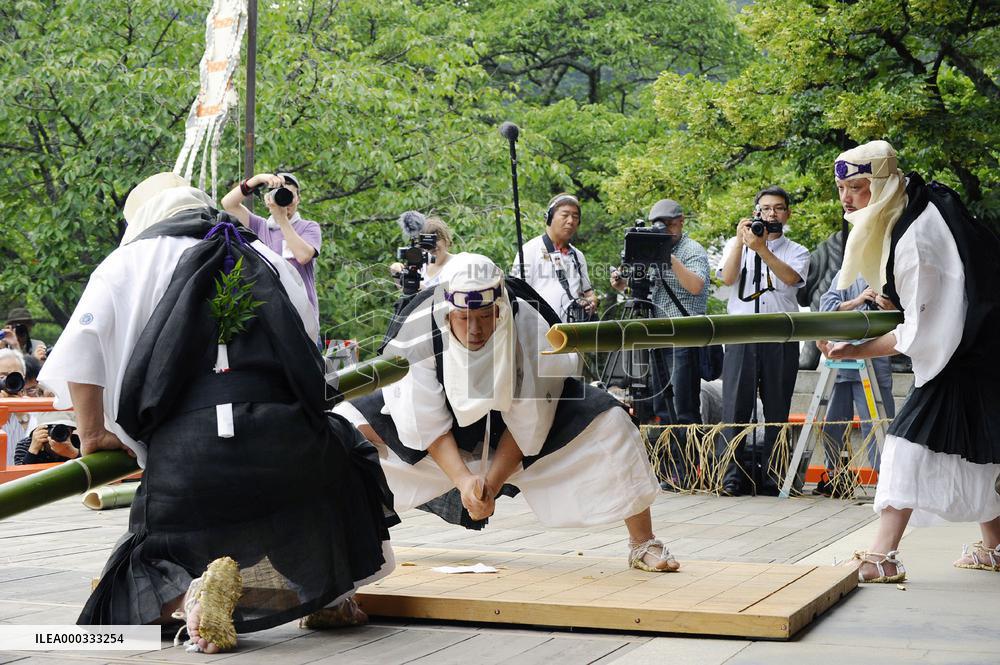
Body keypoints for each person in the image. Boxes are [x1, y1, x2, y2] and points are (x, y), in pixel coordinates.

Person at [38, 172, 397, 652]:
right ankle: (332, 594)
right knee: (338, 464)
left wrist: (92, 432)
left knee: (141, 577)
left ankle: (190, 594)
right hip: (285, 444)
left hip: (187, 459)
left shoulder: (127, 262)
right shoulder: (267, 255)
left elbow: (82, 348)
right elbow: (308, 346)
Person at [336, 253, 679, 573]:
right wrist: (464, 481)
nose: (475, 329)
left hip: (517, 438)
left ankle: (642, 541)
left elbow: (530, 422)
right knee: (344, 425)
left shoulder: (528, 323)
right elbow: (424, 421)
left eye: (485, 317)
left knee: (611, 420)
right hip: (442, 445)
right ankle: (350, 550)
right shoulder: (418, 328)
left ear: (499, 310)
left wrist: (491, 483)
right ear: (446, 313)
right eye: (464, 318)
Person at [816, 140, 1000, 582]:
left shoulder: (915, 234)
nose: (847, 199)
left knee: (905, 445)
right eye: (841, 188)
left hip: (965, 353)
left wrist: (854, 349)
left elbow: (922, 333)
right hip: (977, 348)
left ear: (880, 185)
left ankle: (882, 556)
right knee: (980, 451)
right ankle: (995, 547)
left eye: (857, 187)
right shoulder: (911, 209)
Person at [717, 186, 810, 496]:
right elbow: (727, 278)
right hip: (741, 334)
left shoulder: (797, 250)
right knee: (735, 408)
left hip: (780, 335)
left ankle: (775, 475)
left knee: (777, 408)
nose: (771, 214)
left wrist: (762, 250)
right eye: (766, 208)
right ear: (756, 212)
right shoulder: (737, 244)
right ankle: (731, 476)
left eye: (778, 208)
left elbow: (791, 279)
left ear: (787, 214)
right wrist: (740, 242)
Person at [611, 199, 710, 485]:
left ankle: (690, 471)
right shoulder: (648, 248)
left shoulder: (692, 250)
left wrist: (666, 254)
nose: (664, 229)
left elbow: (696, 286)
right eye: (659, 225)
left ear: (681, 221)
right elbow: (641, 287)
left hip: (684, 335)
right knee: (662, 407)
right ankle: (670, 469)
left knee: (684, 406)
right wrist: (622, 283)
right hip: (658, 335)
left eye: (669, 224)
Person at [814, 269, 896, 496]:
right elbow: (826, 306)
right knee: (834, 421)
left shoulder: (889, 272)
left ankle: (886, 480)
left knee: (878, 423)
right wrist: (857, 301)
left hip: (875, 358)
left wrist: (886, 305)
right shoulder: (846, 273)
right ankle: (834, 475)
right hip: (841, 357)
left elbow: (904, 313)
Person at [220, 172, 322, 332]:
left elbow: (303, 256)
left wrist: (282, 219)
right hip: (268, 318)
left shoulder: (308, 227)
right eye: (279, 194)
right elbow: (228, 204)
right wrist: (258, 179)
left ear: (298, 199)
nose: (285, 200)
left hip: (302, 318)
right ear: (268, 199)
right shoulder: (259, 226)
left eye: (290, 195)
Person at [512, 193, 598, 323]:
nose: (570, 221)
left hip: (574, 331)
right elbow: (517, 296)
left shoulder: (578, 256)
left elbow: (588, 293)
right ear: (549, 218)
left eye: (575, 217)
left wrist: (592, 301)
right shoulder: (529, 251)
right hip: (540, 331)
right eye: (565, 215)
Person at [390, 214, 457, 291]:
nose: (432, 245)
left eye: (436, 239)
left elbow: (458, 296)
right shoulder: (420, 265)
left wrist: (423, 290)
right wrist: (397, 274)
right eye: (426, 242)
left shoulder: (457, 264)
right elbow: (406, 294)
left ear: (446, 240)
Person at [13, 411, 80, 465]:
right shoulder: (25, 445)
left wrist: (74, 453)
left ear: (71, 430)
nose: (57, 431)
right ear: (39, 429)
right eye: (50, 427)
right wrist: (33, 451)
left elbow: (87, 470)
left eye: (63, 428)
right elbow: (19, 476)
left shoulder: (78, 442)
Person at [0, 349, 30, 467]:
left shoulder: (35, 408)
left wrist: (22, 417)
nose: (10, 381)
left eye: (15, 376)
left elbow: (37, 450)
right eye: (2, 376)